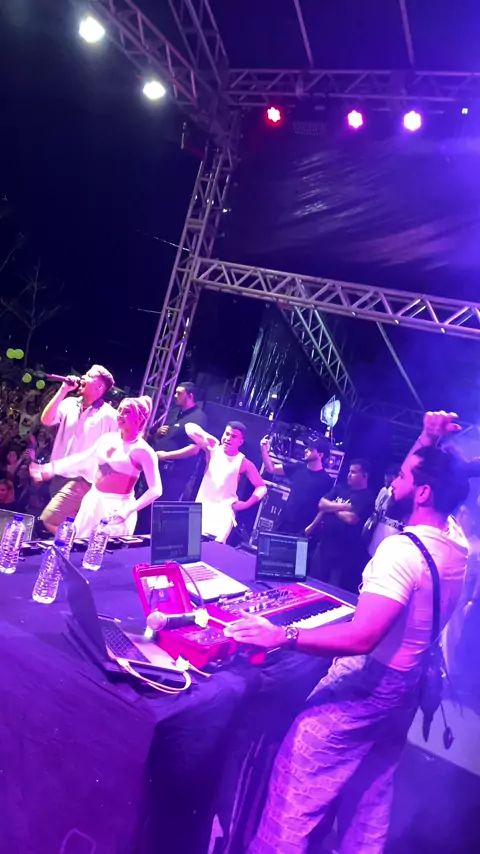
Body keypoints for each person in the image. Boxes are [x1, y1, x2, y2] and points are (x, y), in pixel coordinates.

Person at [226, 445, 469, 854]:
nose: (392, 483)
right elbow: (432, 478)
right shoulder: (456, 545)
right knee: (370, 792)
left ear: (424, 493)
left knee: (297, 782)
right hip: (406, 688)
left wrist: (281, 635)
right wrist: (428, 441)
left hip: (372, 682)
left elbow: (362, 637)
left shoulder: (402, 551)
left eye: (402, 477)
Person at [30, 397, 162, 537]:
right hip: (92, 502)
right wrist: (50, 469)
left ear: (140, 419)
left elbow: (156, 489)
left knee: (103, 547)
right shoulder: (108, 439)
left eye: (127, 412)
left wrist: (129, 509)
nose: (120, 414)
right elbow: (83, 459)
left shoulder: (143, 450)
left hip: (116, 509)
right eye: (119, 410)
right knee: (79, 542)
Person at [39, 365, 118, 534]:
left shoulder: (109, 415)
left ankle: (74, 543)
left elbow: (116, 450)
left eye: (89, 375)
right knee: (67, 525)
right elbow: (46, 420)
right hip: (59, 475)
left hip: (82, 480)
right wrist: (63, 390)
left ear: (99, 386)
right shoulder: (69, 403)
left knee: (50, 519)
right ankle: (74, 545)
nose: (82, 377)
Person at [185, 420, 267, 542]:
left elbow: (262, 487)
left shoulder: (243, 462)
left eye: (233, 436)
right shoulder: (212, 449)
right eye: (227, 434)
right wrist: (206, 436)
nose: (228, 438)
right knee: (191, 546)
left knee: (213, 549)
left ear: (240, 442)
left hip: (223, 514)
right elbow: (189, 427)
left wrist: (246, 504)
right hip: (201, 508)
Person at [309, 459, 374, 591]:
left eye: (354, 472)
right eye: (349, 471)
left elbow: (351, 518)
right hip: (324, 545)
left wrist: (331, 508)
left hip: (343, 553)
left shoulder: (367, 497)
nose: (349, 475)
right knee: (312, 582)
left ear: (364, 476)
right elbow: (321, 504)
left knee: (331, 590)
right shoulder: (340, 488)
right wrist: (342, 507)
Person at [260, 435, 333, 536]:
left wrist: (311, 527)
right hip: (284, 521)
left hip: (302, 528)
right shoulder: (298, 468)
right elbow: (271, 469)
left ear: (320, 455)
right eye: (307, 448)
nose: (306, 451)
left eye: (311, 449)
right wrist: (264, 450)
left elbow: (323, 509)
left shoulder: (326, 481)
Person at [153, 382, 208, 501]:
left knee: (161, 507)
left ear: (190, 396)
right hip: (158, 468)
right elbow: (166, 438)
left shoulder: (198, 418)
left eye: (179, 393)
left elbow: (194, 449)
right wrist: (158, 434)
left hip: (173, 475)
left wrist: (165, 455)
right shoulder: (175, 412)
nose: (175, 396)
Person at [367, 463, 402, 556]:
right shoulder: (383, 491)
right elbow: (376, 509)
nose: (389, 483)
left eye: (390, 480)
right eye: (386, 479)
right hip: (377, 535)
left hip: (392, 540)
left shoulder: (404, 496)